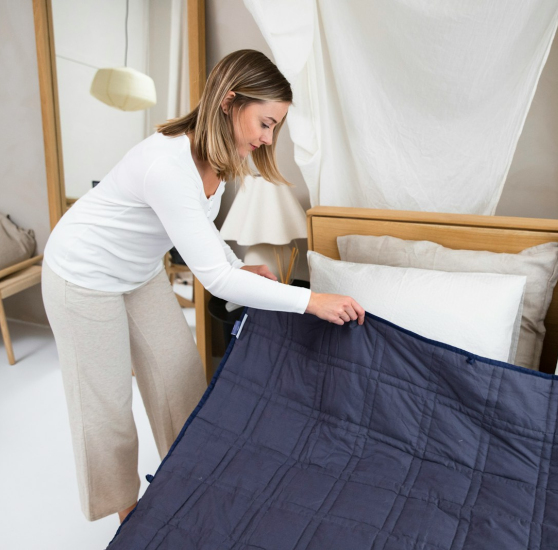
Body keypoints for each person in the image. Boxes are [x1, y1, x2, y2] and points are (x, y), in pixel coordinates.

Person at [41, 49, 365, 523]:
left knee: (182, 383)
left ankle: (192, 483)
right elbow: (213, 279)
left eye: (274, 127)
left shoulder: (219, 155)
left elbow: (201, 237)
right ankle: (128, 518)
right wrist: (312, 300)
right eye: (265, 123)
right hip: (83, 274)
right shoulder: (167, 165)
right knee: (107, 410)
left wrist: (239, 266)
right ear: (230, 101)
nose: (267, 137)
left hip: (139, 271)